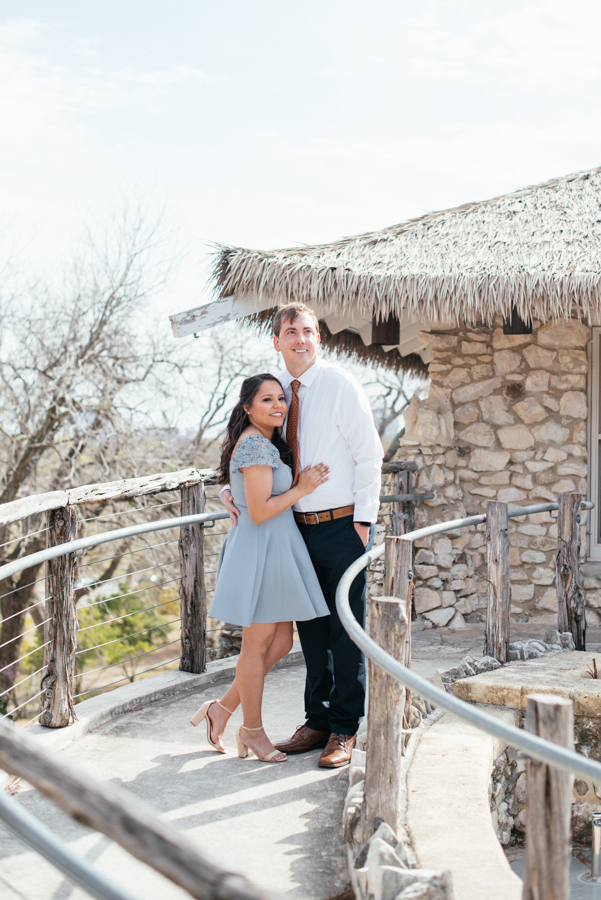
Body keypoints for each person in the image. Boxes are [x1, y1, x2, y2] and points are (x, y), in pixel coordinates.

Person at [221, 304, 383, 768]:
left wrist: (364, 520)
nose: (300, 340)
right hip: (295, 529)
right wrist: (228, 490)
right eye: (290, 332)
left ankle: (345, 730)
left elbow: (370, 454)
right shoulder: (276, 392)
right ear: (276, 341)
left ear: (319, 338)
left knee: (345, 631)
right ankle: (317, 722)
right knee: (311, 633)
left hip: (343, 524)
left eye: (308, 331)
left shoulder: (339, 385)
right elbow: (250, 443)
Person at [191, 373, 330, 763]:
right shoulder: (254, 444)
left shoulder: (264, 442)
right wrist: (302, 488)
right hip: (261, 549)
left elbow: (248, 488)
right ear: (247, 407)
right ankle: (252, 730)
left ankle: (221, 709)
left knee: (283, 642)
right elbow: (260, 509)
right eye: (266, 400)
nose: (277, 406)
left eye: (280, 399)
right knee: (257, 645)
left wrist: (227, 487)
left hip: (278, 547)